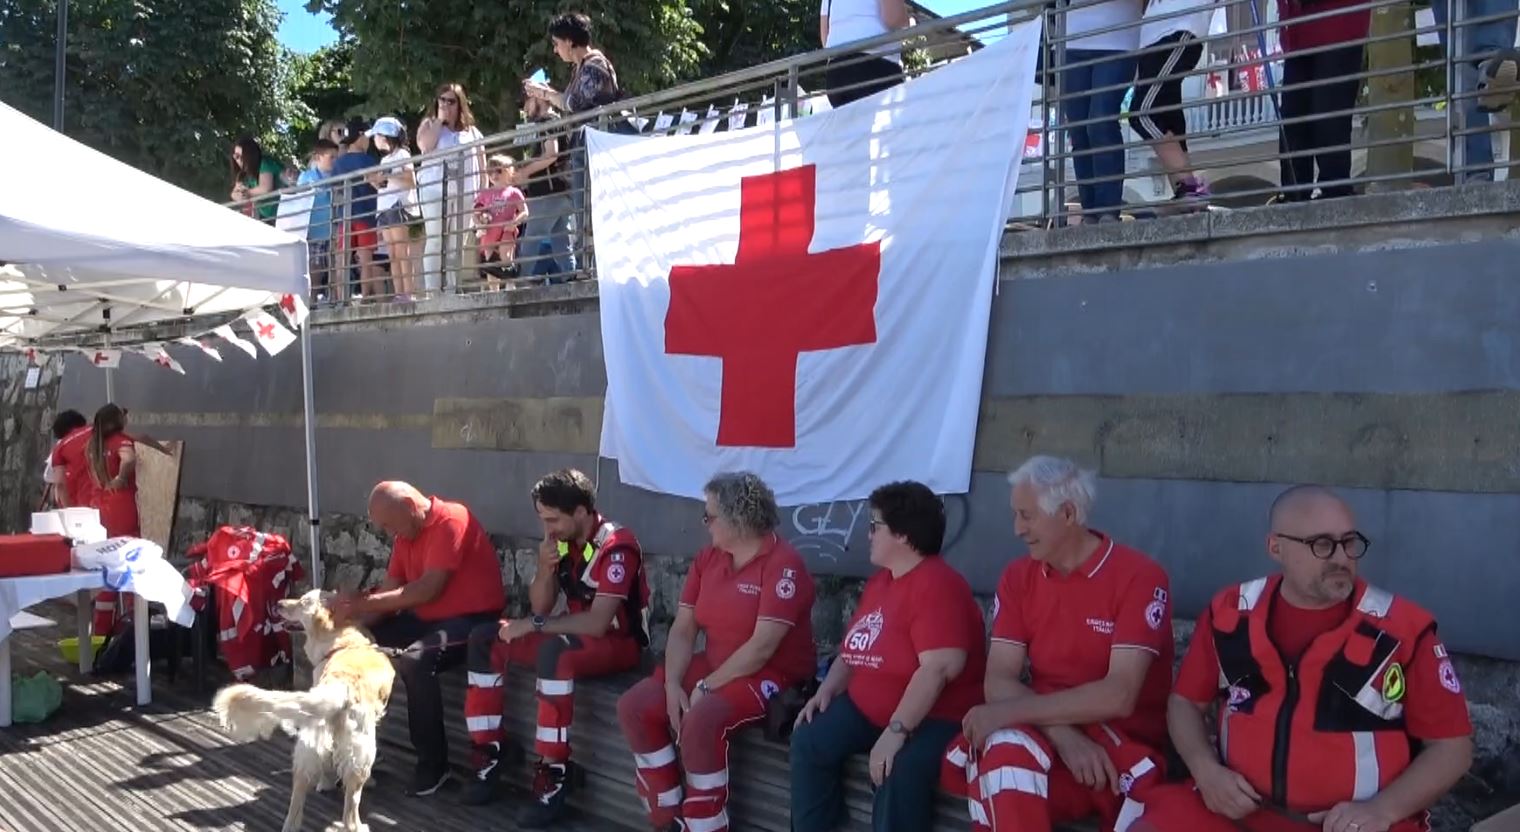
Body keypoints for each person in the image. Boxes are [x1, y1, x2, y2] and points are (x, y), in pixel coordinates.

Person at [1134, 485, 1474, 832]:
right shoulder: (1231, 614)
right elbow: (1185, 703)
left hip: (1352, 825)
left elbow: (1452, 749)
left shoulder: (1402, 632)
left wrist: (1383, 810)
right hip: (1237, 814)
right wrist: (1205, 771)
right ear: (1275, 547)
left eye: (1349, 542)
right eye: (1322, 544)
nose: (1341, 558)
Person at [944, 456, 1174, 832]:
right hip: (1049, 735)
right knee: (1005, 757)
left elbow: (1118, 695)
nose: (1017, 529)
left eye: (1026, 515)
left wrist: (1015, 714)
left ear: (1067, 514)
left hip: (1116, 743)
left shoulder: (1140, 577)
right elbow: (997, 681)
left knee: (1001, 767)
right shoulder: (1019, 576)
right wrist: (1061, 733)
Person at [617, 472, 816, 832]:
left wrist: (706, 687)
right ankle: (667, 815)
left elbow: (762, 648)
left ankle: (706, 825)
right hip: (716, 664)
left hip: (772, 674)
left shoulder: (784, 564)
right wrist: (673, 683)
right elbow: (683, 628)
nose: (704, 523)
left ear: (738, 520)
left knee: (703, 717)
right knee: (635, 705)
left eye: (710, 516)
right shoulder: (709, 557)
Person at [789, 481, 986, 832]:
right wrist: (828, 690)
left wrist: (897, 730)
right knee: (809, 738)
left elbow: (940, 667)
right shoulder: (882, 582)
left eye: (875, 526)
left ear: (904, 536)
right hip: (870, 709)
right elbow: (852, 653)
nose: (868, 534)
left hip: (933, 718)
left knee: (899, 767)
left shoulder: (938, 585)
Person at [461, 469, 650, 824]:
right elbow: (540, 607)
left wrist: (533, 626)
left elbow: (596, 623)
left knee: (554, 652)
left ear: (581, 512)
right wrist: (545, 571)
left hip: (616, 643)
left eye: (554, 519)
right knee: (486, 636)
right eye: (542, 519)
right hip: (571, 634)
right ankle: (490, 748)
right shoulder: (562, 542)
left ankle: (554, 771)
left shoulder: (617, 545)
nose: (548, 528)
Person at [333, 482, 506, 796]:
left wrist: (362, 604)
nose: (386, 532)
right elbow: (390, 590)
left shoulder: (451, 520)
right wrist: (350, 621)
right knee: (353, 642)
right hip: (425, 617)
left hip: (473, 622)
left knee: (415, 660)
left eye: (388, 524)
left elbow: (428, 589)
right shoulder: (405, 534)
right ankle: (352, 751)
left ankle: (433, 765)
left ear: (411, 509)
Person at [1273, 0, 1370, 201]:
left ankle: (1335, 192)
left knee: (1328, 115)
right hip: (1298, 32)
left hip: (1337, 24)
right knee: (1293, 119)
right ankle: (1295, 194)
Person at [1057, 0, 1143, 221]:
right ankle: (1091, 212)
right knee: (1078, 130)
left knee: (1101, 122)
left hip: (1118, 40)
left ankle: (1107, 210)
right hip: (1072, 42)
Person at [1129, 0, 1217, 206]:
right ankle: (1185, 192)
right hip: (1151, 34)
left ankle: (1191, 187)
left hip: (1180, 25)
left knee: (1142, 113)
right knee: (1166, 113)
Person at [416, 83, 487, 293]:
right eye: (442, 100)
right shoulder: (429, 123)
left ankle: (452, 290)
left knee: (457, 243)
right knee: (436, 239)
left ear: (460, 104)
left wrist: (481, 198)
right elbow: (425, 146)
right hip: (434, 189)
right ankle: (433, 292)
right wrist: (440, 120)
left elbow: (482, 166)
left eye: (451, 101)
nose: (446, 104)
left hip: (465, 192)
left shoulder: (473, 132)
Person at [515, 95, 576, 277]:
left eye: (525, 102)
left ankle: (520, 282)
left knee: (532, 238)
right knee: (561, 240)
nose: (524, 109)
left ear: (537, 99)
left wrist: (525, 172)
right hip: (564, 191)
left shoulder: (547, 122)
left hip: (547, 192)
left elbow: (551, 154)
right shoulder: (561, 122)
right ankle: (571, 277)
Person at [818, 0, 911, 107]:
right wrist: (910, 23)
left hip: (836, 72)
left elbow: (825, 37)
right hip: (875, 65)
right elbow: (894, 19)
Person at [367, 116, 420, 300]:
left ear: (386, 136)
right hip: (384, 208)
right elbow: (385, 186)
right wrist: (375, 181)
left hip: (397, 206)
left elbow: (410, 180)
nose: (374, 140)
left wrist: (388, 175)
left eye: (376, 136)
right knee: (392, 255)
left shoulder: (402, 155)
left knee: (401, 252)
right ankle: (399, 294)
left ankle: (409, 293)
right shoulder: (385, 159)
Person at [329, 122, 380, 299]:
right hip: (366, 215)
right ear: (360, 136)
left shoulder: (339, 163)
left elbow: (334, 187)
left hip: (345, 216)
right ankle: (366, 297)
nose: (369, 141)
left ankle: (342, 297)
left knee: (342, 258)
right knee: (366, 258)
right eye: (367, 136)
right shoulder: (370, 161)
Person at [473, 155, 529, 290]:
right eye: (490, 172)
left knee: (506, 256)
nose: (494, 175)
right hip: (489, 231)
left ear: (509, 171)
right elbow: (476, 212)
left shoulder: (514, 192)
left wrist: (515, 222)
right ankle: (494, 291)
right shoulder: (485, 193)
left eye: (498, 171)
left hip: (507, 229)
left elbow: (525, 211)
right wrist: (480, 224)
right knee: (490, 261)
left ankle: (510, 283)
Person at [298, 139, 340, 303]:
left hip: (333, 228)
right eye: (331, 157)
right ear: (318, 157)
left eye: (336, 157)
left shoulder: (338, 176)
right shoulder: (306, 177)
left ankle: (336, 298)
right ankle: (312, 300)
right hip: (314, 230)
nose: (335, 161)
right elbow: (300, 200)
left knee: (335, 265)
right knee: (315, 267)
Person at [44, 409, 91, 509]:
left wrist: (67, 509)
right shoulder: (94, 438)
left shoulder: (59, 449)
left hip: (73, 504)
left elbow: (53, 480)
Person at [230, 136, 282, 222]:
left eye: (243, 156)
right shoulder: (242, 174)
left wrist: (246, 192)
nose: (239, 160)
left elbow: (266, 188)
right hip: (268, 217)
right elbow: (235, 193)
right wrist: (238, 195)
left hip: (285, 210)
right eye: (236, 156)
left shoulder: (264, 163)